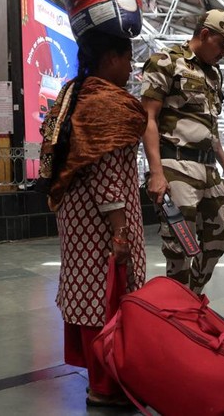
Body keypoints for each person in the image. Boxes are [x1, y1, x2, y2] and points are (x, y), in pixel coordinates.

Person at [44, 28, 147, 407]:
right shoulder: (106, 103)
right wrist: (121, 234)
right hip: (103, 225)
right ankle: (107, 387)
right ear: (110, 59)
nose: (131, 66)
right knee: (108, 298)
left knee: (87, 294)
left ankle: (100, 380)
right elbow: (106, 175)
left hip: (77, 218)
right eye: (128, 58)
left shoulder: (73, 96)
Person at [141, 9, 224, 294]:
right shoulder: (166, 62)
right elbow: (147, 119)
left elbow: (211, 128)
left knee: (218, 239)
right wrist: (156, 173)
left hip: (208, 168)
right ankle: (179, 310)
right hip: (175, 165)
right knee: (180, 246)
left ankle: (190, 296)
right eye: (222, 44)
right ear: (204, 34)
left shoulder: (214, 75)